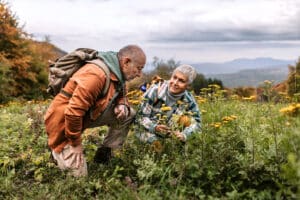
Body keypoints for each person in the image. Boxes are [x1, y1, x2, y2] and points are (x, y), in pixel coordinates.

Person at [44, 44, 146, 177]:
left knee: (128, 113)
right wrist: (76, 144)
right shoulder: (96, 75)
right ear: (126, 62)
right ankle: (56, 149)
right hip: (63, 120)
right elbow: (73, 112)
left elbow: (122, 93)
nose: (139, 74)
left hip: (88, 115)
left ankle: (105, 153)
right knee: (79, 177)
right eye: (138, 69)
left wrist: (121, 104)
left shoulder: (117, 72)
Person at [136, 64, 201, 144]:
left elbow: (197, 124)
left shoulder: (188, 100)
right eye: (174, 77)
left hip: (170, 134)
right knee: (156, 145)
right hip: (147, 130)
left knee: (186, 120)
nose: (175, 83)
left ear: (188, 86)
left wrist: (184, 135)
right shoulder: (155, 90)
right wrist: (155, 127)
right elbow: (139, 117)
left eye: (181, 81)